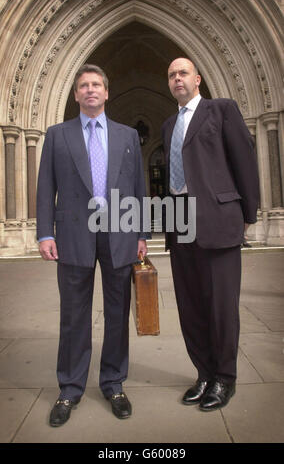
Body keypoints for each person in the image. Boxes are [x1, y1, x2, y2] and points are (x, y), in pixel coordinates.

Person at [37, 64, 148, 426]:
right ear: (75, 94)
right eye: (83, 85)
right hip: (71, 235)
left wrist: (142, 233)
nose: (90, 90)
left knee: (117, 314)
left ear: (106, 91)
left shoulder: (128, 135)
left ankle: (114, 384)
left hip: (119, 233)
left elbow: (137, 188)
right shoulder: (57, 135)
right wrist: (44, 233)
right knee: (73, 317)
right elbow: (44, 188)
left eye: (96, 84)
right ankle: (69, 389)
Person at [162, 58, 259, 411]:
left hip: (218, 221)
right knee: (192, 307)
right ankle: (203, 373)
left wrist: (248, 213)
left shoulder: (221, 110)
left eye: (183, 73)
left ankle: (224, 379)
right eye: (171, 75)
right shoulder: (169, 124)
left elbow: (244, 161)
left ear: (198, 79)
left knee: (220, 307)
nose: (177, 79)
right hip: (181, 226)